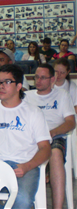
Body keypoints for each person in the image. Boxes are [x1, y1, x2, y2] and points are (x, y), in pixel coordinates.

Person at [0, 64, 51, 209]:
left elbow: (45, 148)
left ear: (19, 86)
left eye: (7, 82)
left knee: (22, 200)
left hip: (25, 165)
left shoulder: (33, 112)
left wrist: (27, 166)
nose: (1, 86)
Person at [24, 64, 75, 208]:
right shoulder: (27, 97)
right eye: (36, 77)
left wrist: (52, 132)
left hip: (54, 136)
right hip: (30, 138)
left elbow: (71, 122)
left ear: (52, 79)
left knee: (56, 153)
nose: (38, 81)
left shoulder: (62, 95)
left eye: (43, 78)